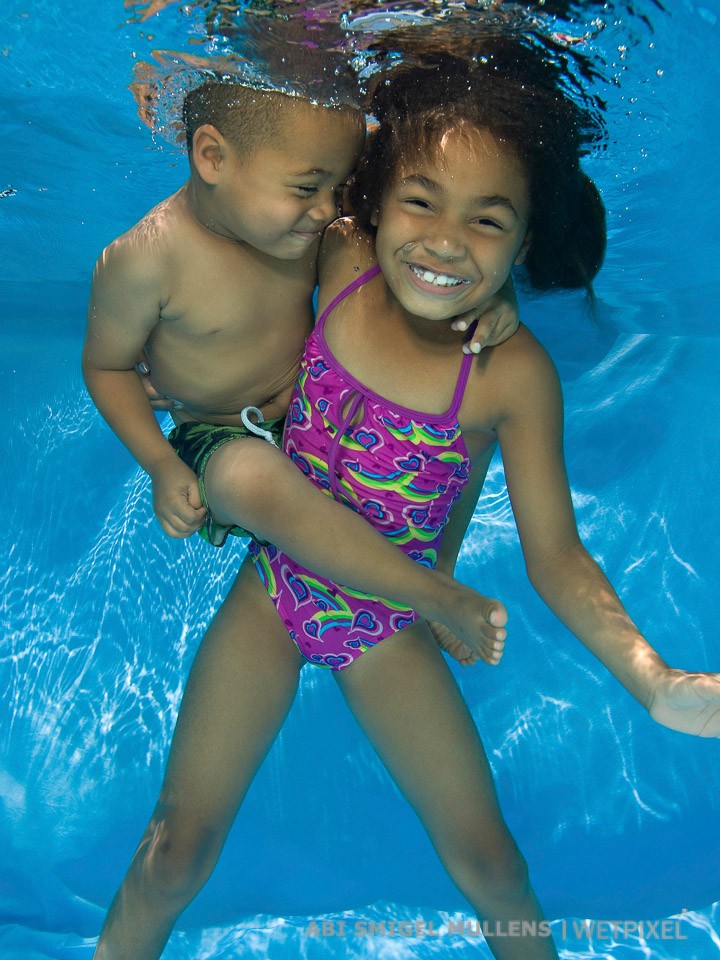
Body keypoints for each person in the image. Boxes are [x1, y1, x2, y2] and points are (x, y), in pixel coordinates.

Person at [92, 49, 720, 960]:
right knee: (172, 851)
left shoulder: (513, 374)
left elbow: (558, 558)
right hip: (277, 591)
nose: (446, 241)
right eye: (420, 202)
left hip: (387, 625)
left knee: (492, 866)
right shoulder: (340, 257)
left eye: (488, 221)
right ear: (374, 201)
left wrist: (653, 682)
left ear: (522, 235)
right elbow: (241, 196)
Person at [83, 79, 521, 663]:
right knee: (253, 479)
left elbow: (430, 250)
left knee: (469, 415)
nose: (328, 208)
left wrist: (500, 293)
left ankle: (439, 558)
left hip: (308, 424)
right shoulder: (144, 261)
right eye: (308, 188)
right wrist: (160, 464)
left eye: (338, 187)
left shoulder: (306, 232)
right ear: (212, 157)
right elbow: (105, 366)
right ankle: (432, 594)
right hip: (217, 435)